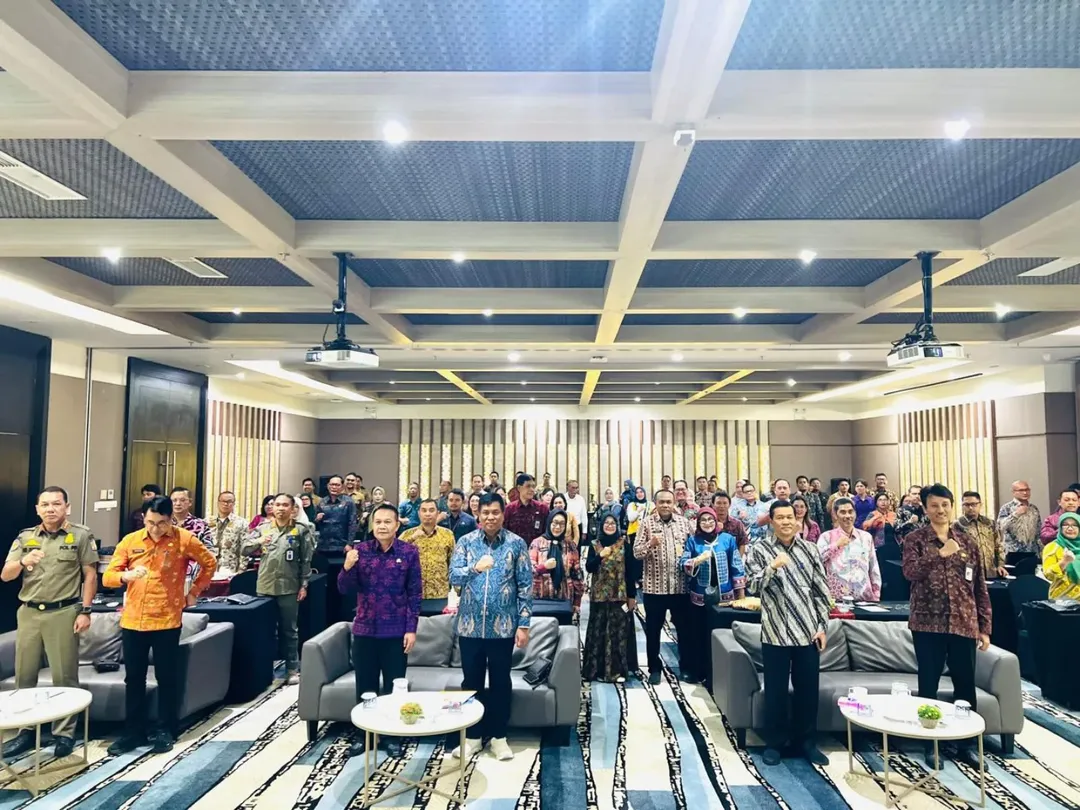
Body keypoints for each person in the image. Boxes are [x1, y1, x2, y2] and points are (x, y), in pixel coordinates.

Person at [103, 495, 217, 754]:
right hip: (134, 620)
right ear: (144, 518)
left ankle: (166, 730)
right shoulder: (130, 541)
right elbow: (108, 576)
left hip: (166, 619)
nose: (156, 529)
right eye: (151, 523)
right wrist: (126, 576)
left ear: (171, 519)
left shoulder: (184, 539)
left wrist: (194, 592)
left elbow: (209, 563)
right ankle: (133, 732)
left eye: (162, 523)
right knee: (134, 679)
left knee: (167, 677)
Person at [1, 487, 98, 759]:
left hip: (63, 611)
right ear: (37, 509)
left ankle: (64, 733)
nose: (50, 509)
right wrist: (23, 561)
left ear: (67, 507)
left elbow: (90, 575)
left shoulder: (80, 535)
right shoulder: (26, 537)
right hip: (29, 613)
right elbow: (6, 575)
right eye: (45, 505)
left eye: (56, 504)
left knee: (64, 676)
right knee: (24, 675)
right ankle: (25, 730)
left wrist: (86, 611)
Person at [902, 484, 991, 768]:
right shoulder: (915, 539)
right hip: (927, 623)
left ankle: (967, 743)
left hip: (963, 622)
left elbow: (979, 587)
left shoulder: (967, 542)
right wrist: (939, 554)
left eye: (945, 505)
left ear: (951, 507)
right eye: (934, 506)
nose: (940, 510)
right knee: (928, 683)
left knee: (965, 684)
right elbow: (910, 572)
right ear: (925, 509)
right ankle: (931, 743)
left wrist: (984, 626)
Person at [746, 500, 831, 767]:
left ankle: (806, 742)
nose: (785, 522)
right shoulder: (759, 550)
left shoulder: (810, 549)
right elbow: (751, 586)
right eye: (780, 518)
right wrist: (772, 567)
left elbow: (821, 592)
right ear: (771, 522)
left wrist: (822, 626)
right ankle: (774, 743)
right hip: (775, 632)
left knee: (808, 690)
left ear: (797, 520)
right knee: (776, 691)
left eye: (789, 517)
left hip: (807, 632)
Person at [449, 492, 532, 762]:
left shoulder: (516, 544)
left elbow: (525, 586)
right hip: (470, 627)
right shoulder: (466, 542)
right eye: (485, 512)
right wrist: (475, 568)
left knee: (500, 683)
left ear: (503, 514)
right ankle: (472, 737)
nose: (490, 517)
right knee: (470, 683)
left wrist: (524, 624)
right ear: (478, 514)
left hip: (503, 627)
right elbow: (453, 576)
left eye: (495, 512)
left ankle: (498, 737)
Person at [339, 502, 421, 758]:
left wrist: (411, 629)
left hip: (396, 632)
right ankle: (365, 734)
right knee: (366, 686)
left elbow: (415, 593)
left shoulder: (409, 552)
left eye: (387, 522)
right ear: (372, 525)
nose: (382, 526)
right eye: (378, 522)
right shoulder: (361, 551)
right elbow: (344, 588)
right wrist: (347, 567)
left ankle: (393, 735)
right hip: (365, 630)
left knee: (395, 688)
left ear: (397, 525)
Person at [242, 493, 313, 685]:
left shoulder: (300, 530)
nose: (280, 508)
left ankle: (292, 669)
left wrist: (304, 584)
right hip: (265, 586)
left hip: (289, 586)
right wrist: (259, 542)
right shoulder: (263, 528)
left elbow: (306, 559)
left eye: (285, 505)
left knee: (289, 630)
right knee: (265, 631)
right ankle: (265, 670)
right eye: (277, 505)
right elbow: (244, 548)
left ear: (292, 508)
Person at [680, 507, 745, 685]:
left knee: (722, 636)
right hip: (699, 597)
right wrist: (696, 561)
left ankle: (721, 676)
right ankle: (699, 672)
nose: (707, 523)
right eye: (703, 520)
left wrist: (741, 596)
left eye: (710, 519)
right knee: (699, 635)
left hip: (725, 597)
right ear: (698, 523)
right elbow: (683, 562)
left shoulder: (727, 539)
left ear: (716, 521)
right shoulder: (693, 541)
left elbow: (737, 566)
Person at [633, 489, 692, 685]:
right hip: (654, 588)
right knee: (653, 631)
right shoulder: (646, 523)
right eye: (662, 502)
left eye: (668, 502)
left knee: (684, 630)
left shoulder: (683, 523)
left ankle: (685, 667)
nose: (665, 505)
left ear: (673, 503)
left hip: (680, 587)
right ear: (656, 504)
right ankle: (654, 668)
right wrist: (650, 544)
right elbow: (636, 553)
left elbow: (692, 549)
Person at [583, 514, 640, 683]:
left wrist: (632, 596)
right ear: (601, 526)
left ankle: (616, 670)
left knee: (618, 634)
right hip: (599, 597)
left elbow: (631, 572)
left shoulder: (624, 544)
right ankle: (596, 670)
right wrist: (600, 555)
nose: (609, 525)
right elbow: (589, 567)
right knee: (598, 633)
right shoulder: (594, 544)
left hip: (619, 596)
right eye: (606, 523)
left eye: (613, 523)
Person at [817, 497, 881, 602]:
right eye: (843, 512)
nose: (847, 516)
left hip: (864, 597)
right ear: (835, 515)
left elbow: (873, 567)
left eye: (850, 512)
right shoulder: (826, 537)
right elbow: (818, 559)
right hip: (837, 597)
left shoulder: (866, 537)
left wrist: (876, 593)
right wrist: (836, 545)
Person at [529, 510, 583, 613]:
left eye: (562, 524)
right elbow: (528, 570)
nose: (558, 527)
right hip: (540, 599)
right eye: (555, 523)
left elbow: (577, 575)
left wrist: (577, 602)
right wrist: (544, 567)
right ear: (549, 522)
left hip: (564, 599)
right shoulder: (537, 543)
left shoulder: (570, 546)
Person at [402, 499, 457, 599]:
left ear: (438, 513)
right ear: (419, 513)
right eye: (424, 510)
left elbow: (453, 563)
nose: (427, 514)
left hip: (440, 593)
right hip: (412, 594)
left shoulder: (447, 535)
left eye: (431, 510)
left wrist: (456, 590)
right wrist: (412, 539)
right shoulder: (407, 534)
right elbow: (395, 557)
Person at [955, 491, 1008, 579]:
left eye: (974, 504)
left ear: (980, 504)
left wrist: (1001, 565)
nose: (970, 508)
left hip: (991, 571)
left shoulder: (989, 523)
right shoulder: (958, 525)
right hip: (969, 572)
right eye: (967, 505)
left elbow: (998, 546)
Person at [315, 474, 359, 554]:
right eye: (332, 484)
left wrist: (349, 543)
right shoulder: (322, 502)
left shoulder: (349, 502)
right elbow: (316, 523)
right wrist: (317, 519)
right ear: (328, 486)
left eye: (337, 485)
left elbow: (353, 523)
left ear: (342, 487)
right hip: (324, 545)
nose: (334, 487)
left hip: (342, 545)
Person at [209, 490, 249, 574]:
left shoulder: (241, 523)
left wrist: (241, 570)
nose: (226, 504)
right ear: (218, 503)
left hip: (230, 568)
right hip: (209, 567)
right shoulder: (207, 522)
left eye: (229, 502)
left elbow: (245, 548)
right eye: (223, 501)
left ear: (234, 504)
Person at [1042, 512, 1080, 599]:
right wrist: (1064, 562)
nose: (1070, 528)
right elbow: (1048, 575)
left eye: (1074, 525)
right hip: (1062, 599)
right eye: (1065, 525)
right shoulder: (1052, 547)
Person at [997, 480, 1042, 554]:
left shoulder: (1033, 508)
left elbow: (1038, 531)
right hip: (1013, 551)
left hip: (1032, 551)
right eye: (1021, 490)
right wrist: (1016, 514)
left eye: (1027, 490)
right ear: (1013, 492)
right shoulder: (1006, 508)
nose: (1025, 493)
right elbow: (1000, 527)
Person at [504, 473, 549, 543]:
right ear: (519, 488)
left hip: (537, 548)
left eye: (533, 486)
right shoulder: (509, 509)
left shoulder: (542, 508)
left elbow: (547, 532)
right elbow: (504, 532)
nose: (532, 489)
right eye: (528, 486)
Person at [711, 490, 750, 555]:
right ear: (713, 505)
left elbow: (742, 543)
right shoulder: (709, 524)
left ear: (729, 505)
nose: (722, 506)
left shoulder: (737, 524)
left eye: (725, 503)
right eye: (718, 503)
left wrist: (738, 559)